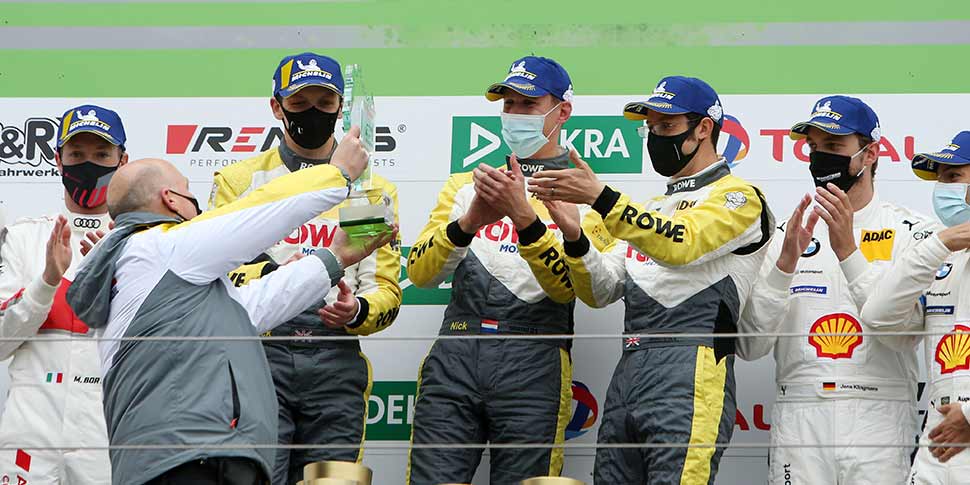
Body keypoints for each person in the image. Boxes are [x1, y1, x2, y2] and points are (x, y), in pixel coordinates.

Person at [65, 129, 390, 485]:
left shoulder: (161, 273)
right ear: (171, 199)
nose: (198, 207)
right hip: (188, 460)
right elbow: (258, 212)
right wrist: (337, 174)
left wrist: (335, 258)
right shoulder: (159, 246)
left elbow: (253, 307)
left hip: (199, 457)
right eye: (189, 192)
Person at [530, 76, 774, 484]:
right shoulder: (653, 208)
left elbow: (683, 243)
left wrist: (601, 197)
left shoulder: (739, 197)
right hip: (630, 366)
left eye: (668, 126)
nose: (657, 136)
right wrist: (574, 236)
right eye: (652, 127)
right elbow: (601, 290)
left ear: (703, 128)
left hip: (692, 367)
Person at [209, 52, 402, 483]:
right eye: (299, 103)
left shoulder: (368, 188)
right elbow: (213, 276)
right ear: (276, 106)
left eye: (324, 103)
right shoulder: (240, 181)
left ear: (340, 107)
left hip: (335, 358)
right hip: (258, 353)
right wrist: (273, 276)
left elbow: (385, 290)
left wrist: (356, 310)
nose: (312, 112)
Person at [735, 96, 936, 484]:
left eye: (833, 145)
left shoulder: (912, 233)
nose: (820, 157)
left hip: (880, 414)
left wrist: (847, 251)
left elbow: (904, 335)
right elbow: (750, 345)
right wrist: (784, 267)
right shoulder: (786, 235)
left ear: (870, 153)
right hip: (800, 413)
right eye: (814, 147)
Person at [405, 55, 579, 485]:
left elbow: (570, 288)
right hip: (456, 352)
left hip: (534, 358)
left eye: (528, 104)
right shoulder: (467, 185)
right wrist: (467, 223)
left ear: (562, 112)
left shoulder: (585, 193)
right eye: (509, 104)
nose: (515, 114)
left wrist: (526, 219)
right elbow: (421, 273)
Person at [0, 104, 128, 484]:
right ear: (58, 159)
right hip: (28, 437)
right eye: (76, 155)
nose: (88, 165)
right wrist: (47, 281)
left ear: (123, 161)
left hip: (107, 437)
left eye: (101, 155)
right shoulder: (23, 237)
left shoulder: (141, 244)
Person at [861, 131, 970, 484]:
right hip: (939, 434)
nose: (944, 189)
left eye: (953, 177)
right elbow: (877, 317)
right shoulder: (942, 255)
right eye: (941, 179)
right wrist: (939, 244)